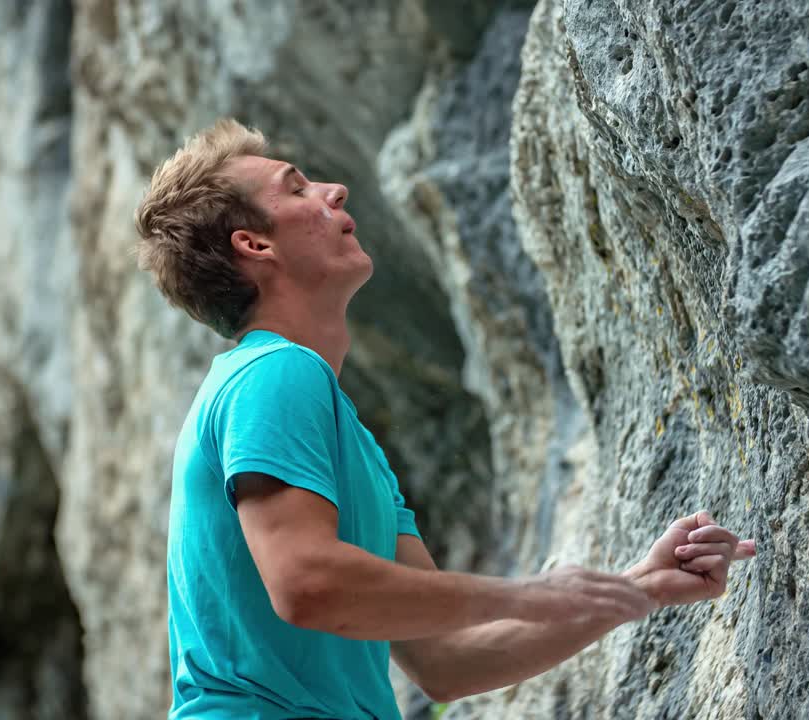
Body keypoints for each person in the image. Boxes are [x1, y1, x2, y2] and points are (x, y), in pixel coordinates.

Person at [134, 119, 757, 720]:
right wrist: (529, 594)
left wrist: (633, 590)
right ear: (256, 245)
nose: (334, 190)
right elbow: (306, 583)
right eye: (297, 188)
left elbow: (444, 662)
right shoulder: (272, 372)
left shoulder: (339, 429)